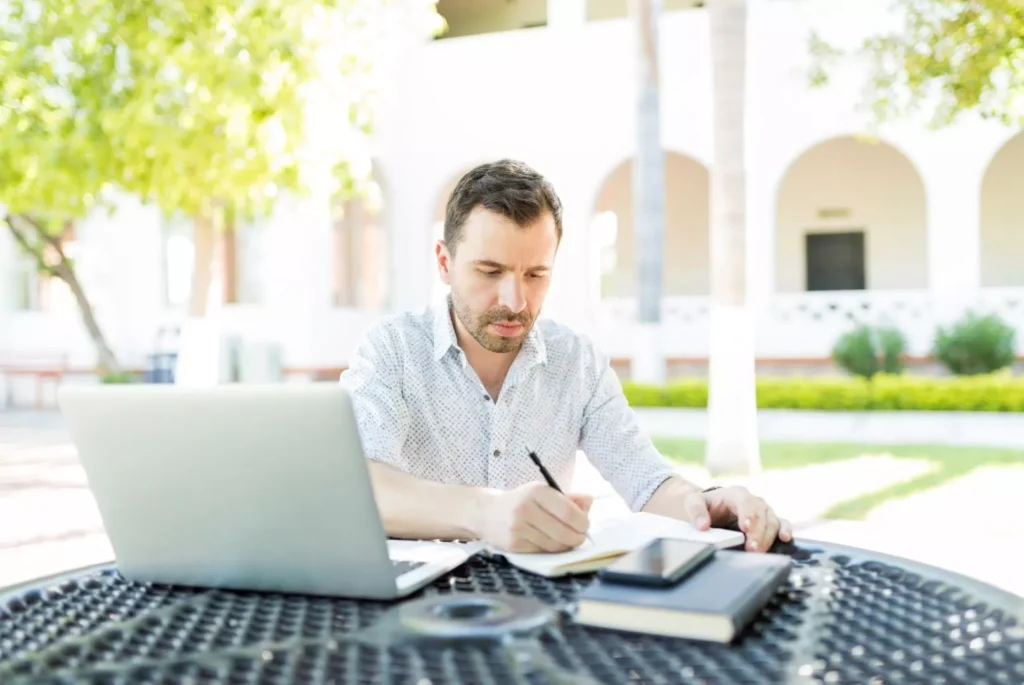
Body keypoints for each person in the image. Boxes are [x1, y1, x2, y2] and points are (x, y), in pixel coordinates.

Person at [340, 159, 792, 554]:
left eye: (536, 274)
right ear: (444, 263)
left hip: (541, 610)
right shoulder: (391, 351)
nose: (515, 300)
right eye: (490, 271)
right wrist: (485, 512)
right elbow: (358, 487)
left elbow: (645, 479)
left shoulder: (577, 362)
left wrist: (705, 503)